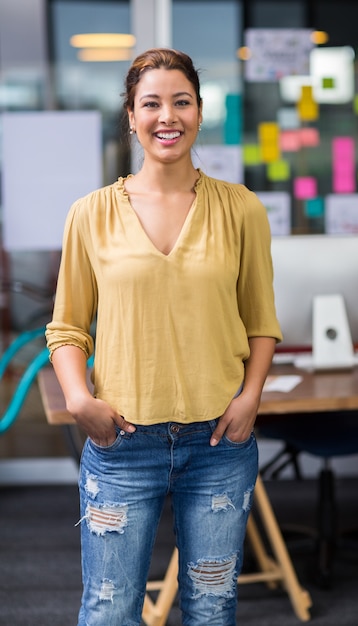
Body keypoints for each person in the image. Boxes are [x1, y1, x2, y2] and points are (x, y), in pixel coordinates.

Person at [46, 47, 282, 626]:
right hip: (123, 443)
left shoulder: (241, 209)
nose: (167, 116)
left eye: (181, 101)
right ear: (131, 115)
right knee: (109, 609)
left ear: (200, 112)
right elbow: (68, 326)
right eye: (151, 103)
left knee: (211, 605)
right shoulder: (91, 214)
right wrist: (79, 399)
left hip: (218, 444)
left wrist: (250, 396)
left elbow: (261, 321)